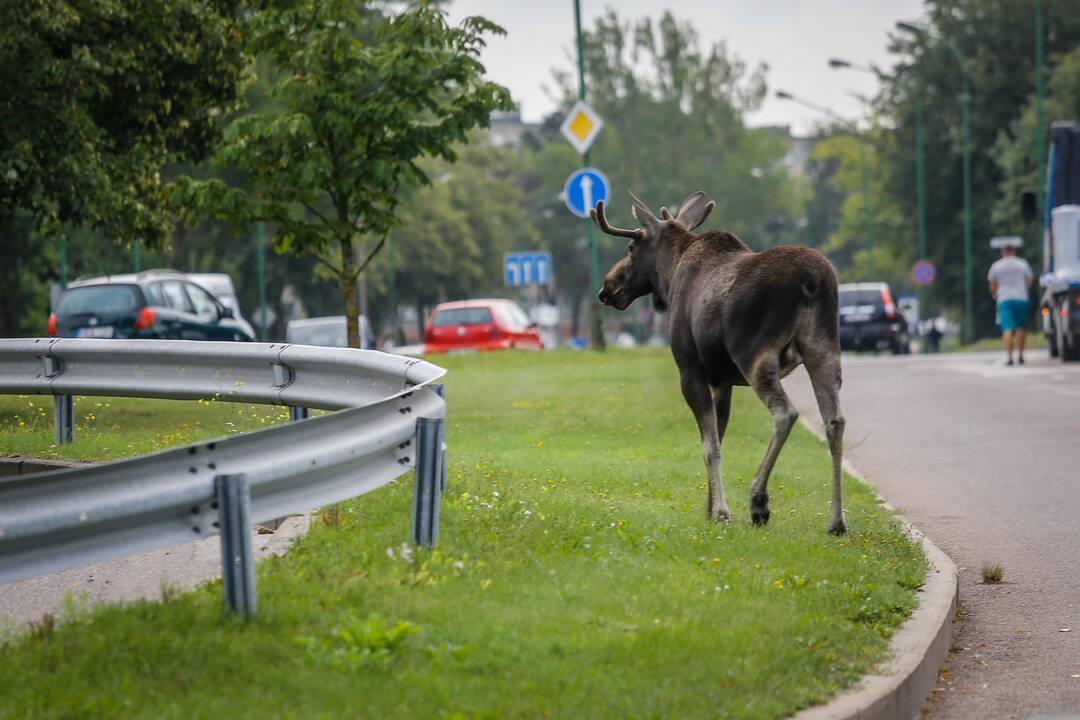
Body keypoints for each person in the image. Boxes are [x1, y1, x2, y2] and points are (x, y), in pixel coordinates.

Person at [987, 241, 1033, 365]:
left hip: (1005, 299)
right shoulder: (1022, 264)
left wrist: (995, 294)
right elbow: (1029, 282)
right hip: (1021, 298)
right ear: (1014, 251)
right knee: (1020, 327)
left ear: (1003, 252)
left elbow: (992, 285)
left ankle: (1009, 358)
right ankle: (1021, 356)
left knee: (1007, 328)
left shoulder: (996, 266)